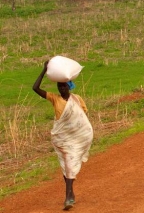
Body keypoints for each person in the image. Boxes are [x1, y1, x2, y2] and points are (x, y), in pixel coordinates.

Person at [32, 61, 93, 210]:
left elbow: (82, 118)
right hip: (62, 139)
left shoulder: (77, 99)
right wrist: (43, 69)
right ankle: (70, 194)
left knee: (69, 166)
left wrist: (80, 132)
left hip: (76, 139)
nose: (62, 88)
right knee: (67, 167)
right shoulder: (54, 98)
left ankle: (68, 197)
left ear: (69, 86)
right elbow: (35, 88)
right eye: (59, 86)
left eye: (64, 86)